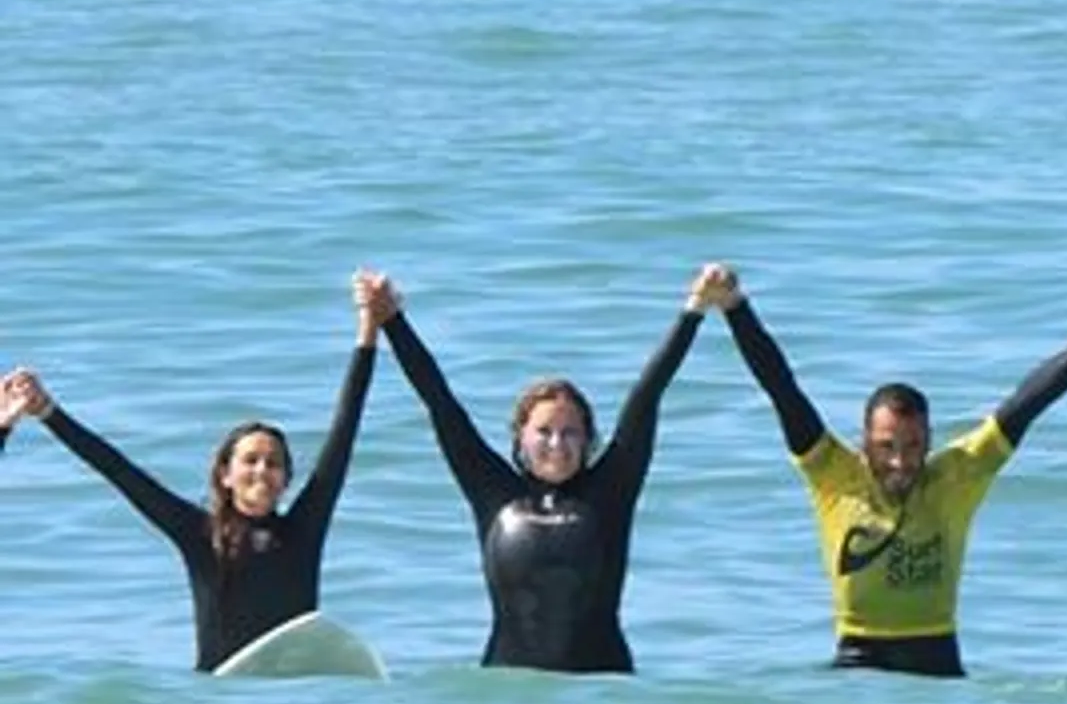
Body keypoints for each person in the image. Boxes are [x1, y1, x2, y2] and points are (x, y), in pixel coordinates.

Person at [713, 267, 1067, 677]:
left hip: (938, 660)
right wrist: (735, 307)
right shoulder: (832, 473)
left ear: (929, 441)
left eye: (913, 447)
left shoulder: (957, 476)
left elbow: (1026, 404)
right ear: (864, 443)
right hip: (858, 661)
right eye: (886, 448)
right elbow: (781, 387)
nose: (900, 461)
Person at [0, 281, 381, 671]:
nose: (262, 471)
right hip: (221, 696)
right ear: (225, 475)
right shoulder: (200, 534)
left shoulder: (304, 528)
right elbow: (119, 471)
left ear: (286, 479)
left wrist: (368, 331)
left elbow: (344, 430)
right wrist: (47, 411)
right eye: (250, 461)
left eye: (273, 463)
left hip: (292, 689)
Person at [363, 263, 711, 673]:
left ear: (587, 440)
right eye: (544, 432)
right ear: (520, 438)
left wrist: (695, 309)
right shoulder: (492, 492)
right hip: (508, 696)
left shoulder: (611, 490)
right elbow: (440, 402)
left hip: (602, 690)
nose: (557, 444)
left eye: (570, 433)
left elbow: (647, 395)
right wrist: (392, 320)